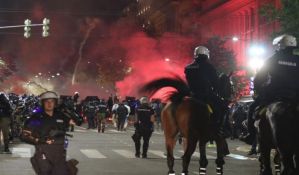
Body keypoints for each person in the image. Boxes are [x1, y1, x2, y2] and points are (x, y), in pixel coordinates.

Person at [241, 34, 299, 144]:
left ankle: (250, 135)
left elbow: (259, 78)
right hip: (296, 95)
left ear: (279, 46)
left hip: (274, 95)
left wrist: (258, 91)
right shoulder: (297, 59)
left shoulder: (273, 59)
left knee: (252, 108)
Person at [21, 91, 78, 175]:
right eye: (46, 101)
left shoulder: (61, 116)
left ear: (55, 103)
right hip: (43, 152)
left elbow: (77, 121)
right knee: (46, 172)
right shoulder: (37, 118)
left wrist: (69, 111)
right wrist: (40, 140)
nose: (49, 103)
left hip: (59, 153)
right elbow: (24, 135)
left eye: (52, 101)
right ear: (42, 103)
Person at [184, 46, 225, 136]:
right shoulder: (209, 67)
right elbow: (216, 83)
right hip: (205, 95)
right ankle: (217, 129)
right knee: (221, 107)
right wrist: (216, 89)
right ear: (206, 54)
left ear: (196, 54)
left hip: (191, 95)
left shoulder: (188, 68)